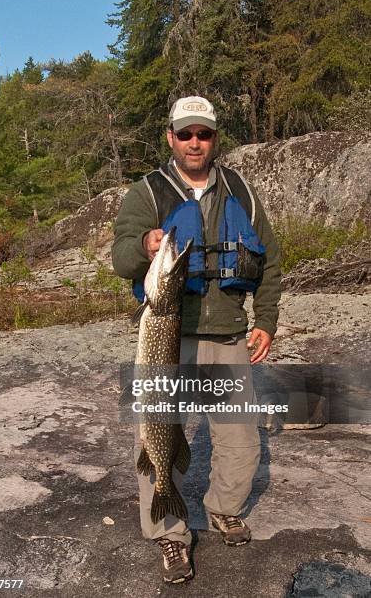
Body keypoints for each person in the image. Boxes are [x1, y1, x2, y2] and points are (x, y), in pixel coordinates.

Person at [112, 96, 281, 584]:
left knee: (240, 437)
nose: (194, 142)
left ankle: (224, 508)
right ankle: (170, 531)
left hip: (228, 332)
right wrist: (146, 244)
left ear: (213, 139)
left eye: (202, 134)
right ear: (170, 137)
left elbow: (269, 260)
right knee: (157, 436)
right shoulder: (147, 192)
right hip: (169, 334)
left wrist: (265, 318)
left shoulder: (240, 190)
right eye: (185, 134)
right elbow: (121, 258)